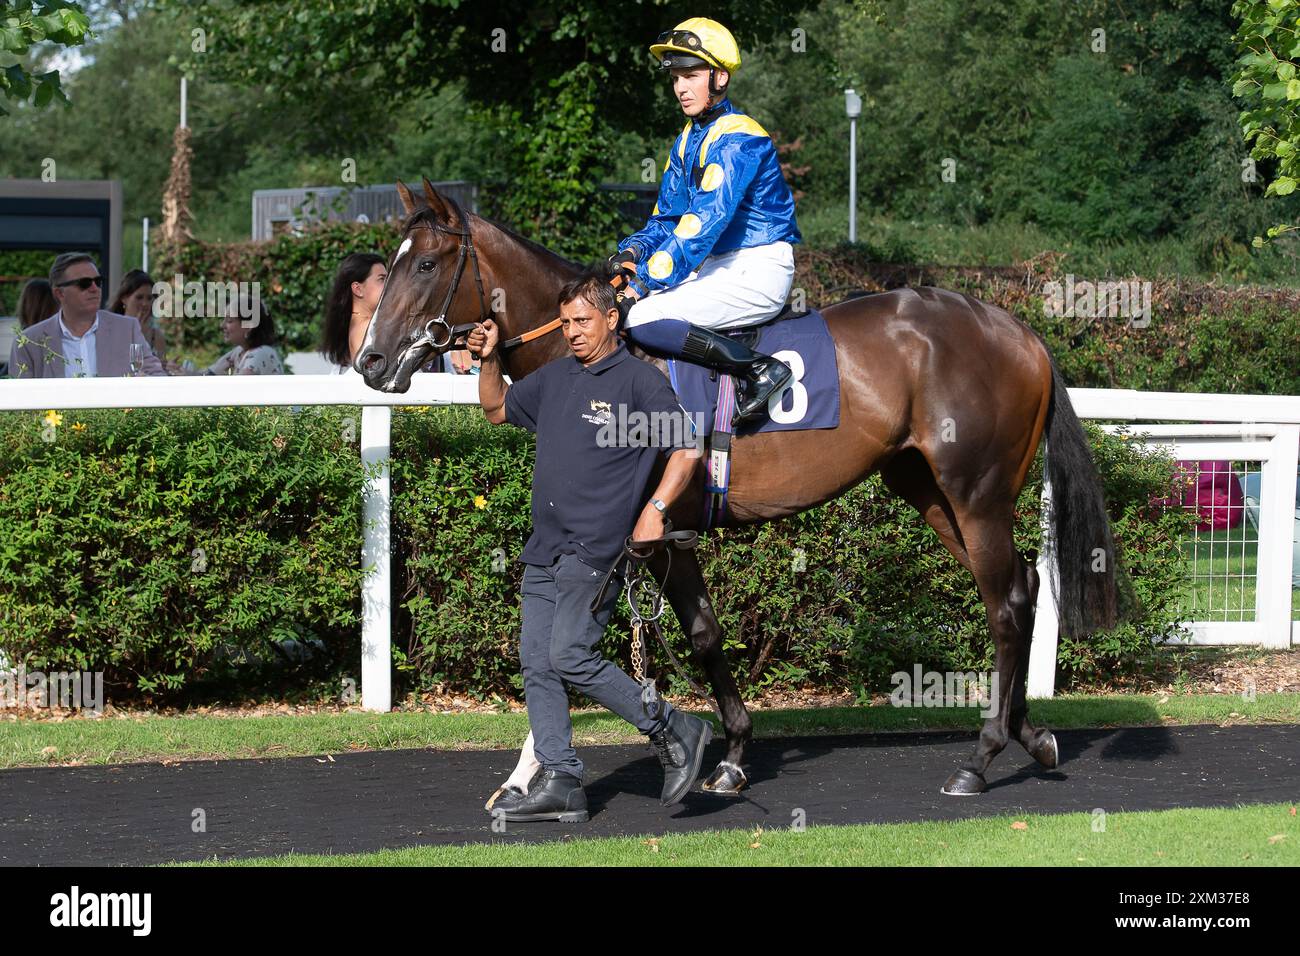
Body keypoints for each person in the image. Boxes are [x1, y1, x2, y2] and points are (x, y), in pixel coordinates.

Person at [466, 267, 711, 823]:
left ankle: (674, 727)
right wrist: (488, 360)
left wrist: (655, 510)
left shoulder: (638, 382)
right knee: (537, 663)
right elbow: (495, 409)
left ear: (611, 318)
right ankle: (561, 780)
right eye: (566, 322)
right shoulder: (557, 378)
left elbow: (687, 448)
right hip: (544, 546)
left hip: (596, 548)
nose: (573, 331)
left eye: (582, 321)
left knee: (570, 654)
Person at [614, 17, 803, 428]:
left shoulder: (740, 138)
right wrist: (631, 254)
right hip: (720, 268)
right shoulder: (687, 140)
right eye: (676, 77)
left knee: (641, 318)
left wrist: (644, 282)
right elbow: (667, 218)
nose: (681, 87)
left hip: (757, 270)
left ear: (719, 77)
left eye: (691, 76)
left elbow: (702, 224)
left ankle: (759, 370)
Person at [8, 252, 165, 378]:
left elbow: (155, 375)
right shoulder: (29, 342)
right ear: (60, 293)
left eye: (98, 281)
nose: (94, 288)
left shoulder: (126, 329)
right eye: (84, 284)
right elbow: (20, 408)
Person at [321, 252, 386, 374]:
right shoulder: (367, 328)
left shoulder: (355, 323)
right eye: (381, 279)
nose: (389, 285)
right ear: (358, 289)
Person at [201, 294, 283, 375]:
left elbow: (236, 388)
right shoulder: (240, 351)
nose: (222, 325)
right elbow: (212, 371)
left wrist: (210, 375)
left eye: (229, 320)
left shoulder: (259, 355)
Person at [109, 269, 166, 361]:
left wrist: (167, 368)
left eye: (149, 298)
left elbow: (160, 370)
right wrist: (137, 336)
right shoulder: (110, 329)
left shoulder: (156, 336)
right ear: (124, 298)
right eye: (139, 297)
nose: (145, 303)